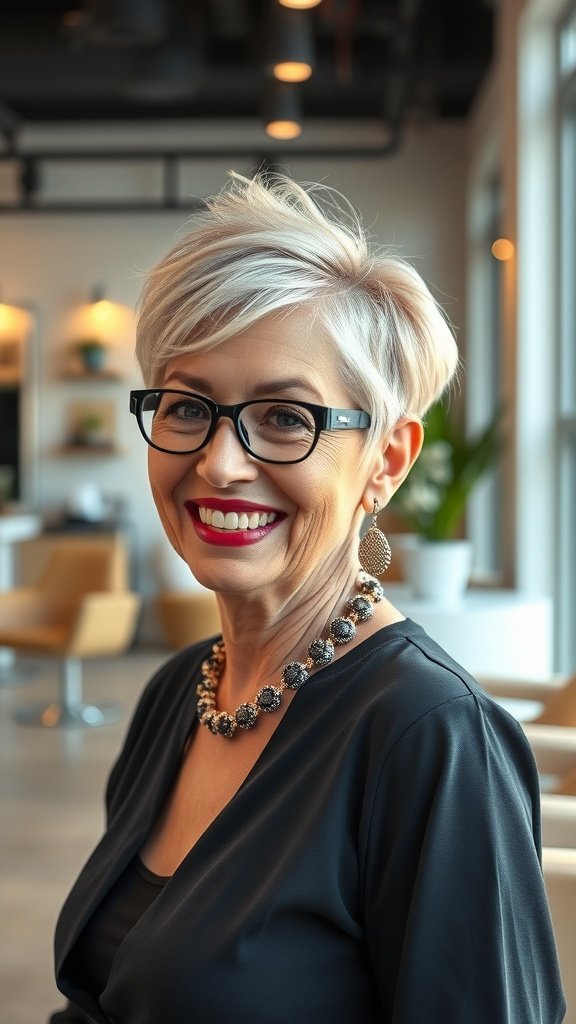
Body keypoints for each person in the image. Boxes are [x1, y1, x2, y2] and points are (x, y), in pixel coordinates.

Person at [50, 173, 565, 1024]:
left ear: (388, 461)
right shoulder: (181, 691)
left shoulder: (431, 738)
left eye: (286, 418)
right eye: (187, 407)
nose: (219, 463)